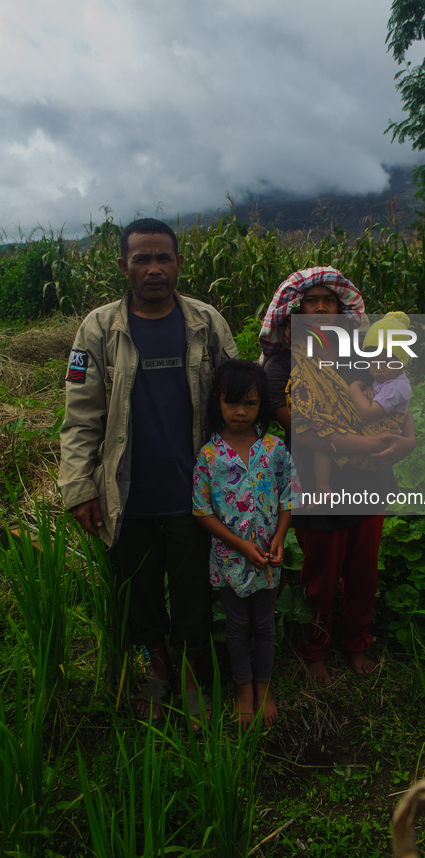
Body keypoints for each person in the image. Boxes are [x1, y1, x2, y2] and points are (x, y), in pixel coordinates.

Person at [59, 217, 238, 727]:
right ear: (123, 266)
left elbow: (237, 402)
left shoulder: (206, 322)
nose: (154, 269)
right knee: (138, 601)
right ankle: (149, 670)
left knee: (193, 598)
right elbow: (81, 415)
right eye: (142, 259)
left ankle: (193, 674)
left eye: (163, 258)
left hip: (195, 497)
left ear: (180, 264)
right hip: (125, 495)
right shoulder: (97, 329)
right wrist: (78, 487)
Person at [260, 268, 416, 685]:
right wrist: (363, 445)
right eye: (312, 301)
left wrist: (409, 441)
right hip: (317, 485)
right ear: (294, 314)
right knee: (321, 576)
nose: (322, 308)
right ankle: (316, 649)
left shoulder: (357, 357)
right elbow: (301, 429)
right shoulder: (279, 366)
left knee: (364, 569)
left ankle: (357, 642)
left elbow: (394, 391)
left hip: (371, 481)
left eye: (330, 301)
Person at [192, 360, 300, 729]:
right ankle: (242, 691)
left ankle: (264, 687)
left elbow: (289, 497)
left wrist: (280, 537)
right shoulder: (208, 455)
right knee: (237, 625)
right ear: (217, 403)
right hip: (229, 558)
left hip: (269, 557)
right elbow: (201, 510)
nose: (240, 411)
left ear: (262, 407)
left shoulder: (274, 449)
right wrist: (238, 545)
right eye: (232, 402)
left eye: (251, 404)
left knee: (265, 624)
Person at [311, 311, 413, 497]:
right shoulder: (389, 379)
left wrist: (355, 388)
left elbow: (368, 413)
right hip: (373, 447)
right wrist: (369, 390)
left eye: (386, 362)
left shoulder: (396, 386)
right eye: (373, 361)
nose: (378, 368)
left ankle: (322, 488)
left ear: (402, 361)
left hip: (373, 448)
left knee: (324, 439)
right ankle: (323, 488)